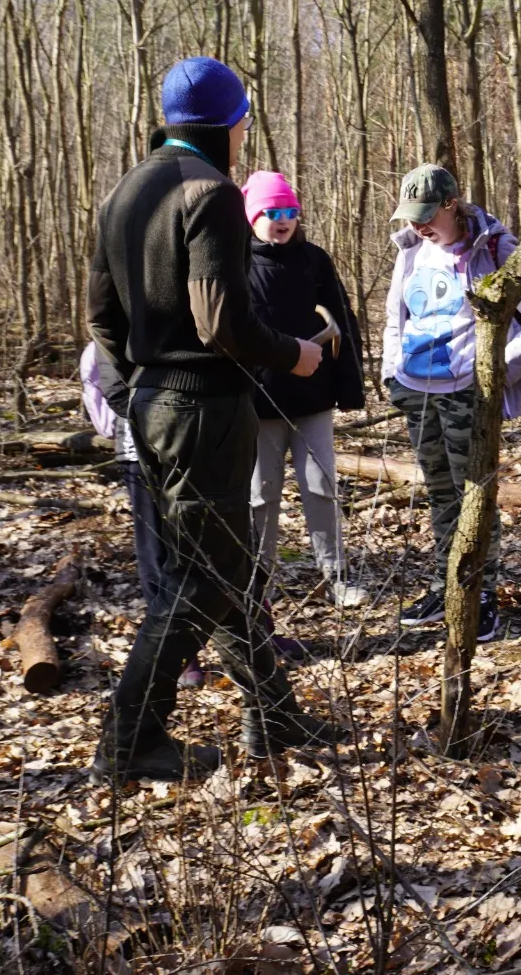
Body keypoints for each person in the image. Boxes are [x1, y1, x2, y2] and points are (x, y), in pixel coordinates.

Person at [87, 56, 337, 782]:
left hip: (156, 404)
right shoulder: (211, 194)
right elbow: (220, 318)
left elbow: (101, 315)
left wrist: (132, 391)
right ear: (230, 126)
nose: (244, 134)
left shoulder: (125, 192)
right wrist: (291, 354)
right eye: (243, 124)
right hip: (204, 408)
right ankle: (129, 740)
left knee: (222, 567)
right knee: (200, 580)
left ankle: (275, 713)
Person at [383, 164, 521, 644]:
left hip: (468, 394)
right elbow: (394, 319)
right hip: (417, 391)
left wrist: (496, 371)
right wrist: (390, 371)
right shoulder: (411, 250)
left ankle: (480, 594)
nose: (418, 225)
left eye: (426, 215)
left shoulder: (496, 248)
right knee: (441, 495)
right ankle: (447, 587)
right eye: (411, 216)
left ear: (451, 204)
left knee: (474, 497)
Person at [242, 171, 369, 613]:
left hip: (313, 399)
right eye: (272, 212)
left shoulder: (315, 261)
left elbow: (342, 323)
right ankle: (261, 581)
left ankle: (336, 576)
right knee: (261, 493)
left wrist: (349, 387)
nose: (283, 220)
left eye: (290, 212)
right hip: (257, 402)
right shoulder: (235, 263)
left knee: (321, 486)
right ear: (252, 215)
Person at [79, 344, 202, 687]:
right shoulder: (109, 324)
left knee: (200, 544)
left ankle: (241, 644)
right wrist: (125, 420)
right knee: (156, 553)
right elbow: (98, 377)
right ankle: (178, 654)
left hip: (192, 443)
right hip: (138, 452)